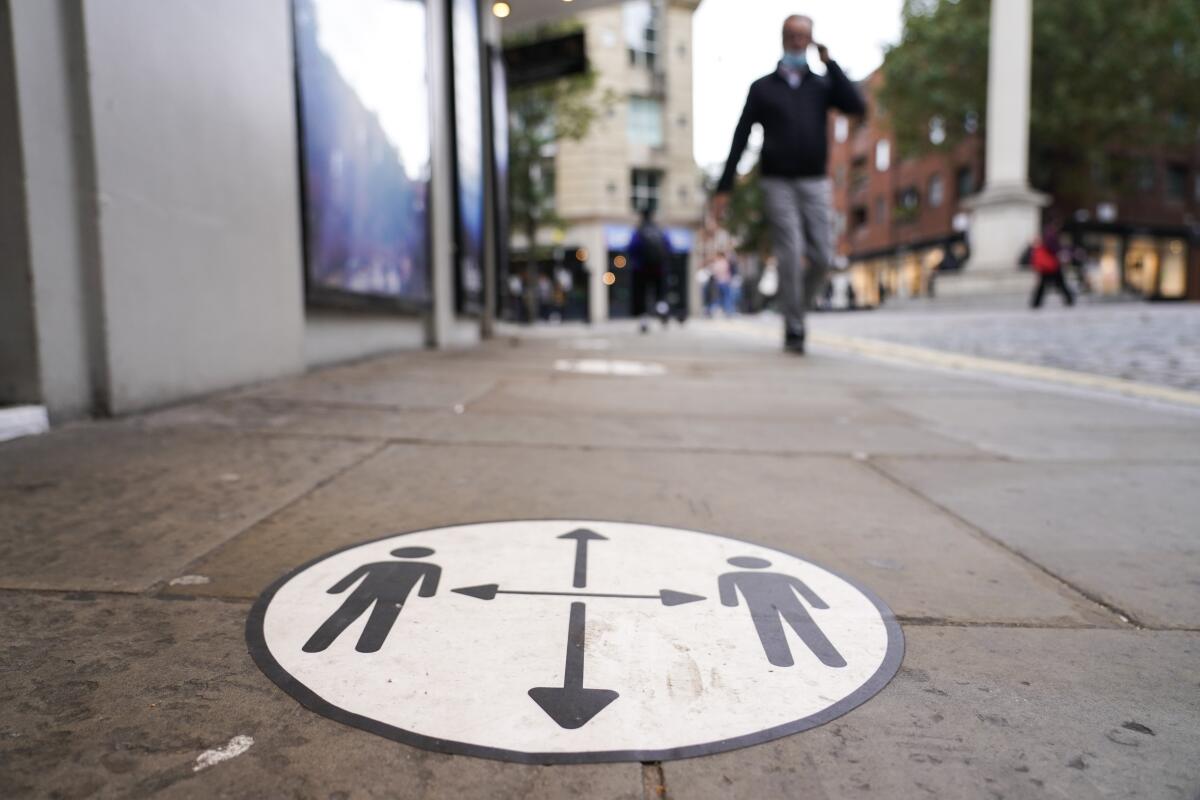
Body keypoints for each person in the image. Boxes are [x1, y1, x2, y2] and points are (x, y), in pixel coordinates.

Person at [712, 14, 866, 354]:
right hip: (777, 181)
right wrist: (724, 188)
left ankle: (797, 309)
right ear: (783, 38)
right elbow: (740, 137)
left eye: (804, 36)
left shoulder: (821, 85)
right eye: (793, 35)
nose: (798, 41)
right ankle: (794, 325)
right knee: (790, 252)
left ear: (810, 41)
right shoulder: (763, 88)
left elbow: (856, 105)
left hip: (815, 180)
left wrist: (831, 63)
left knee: (824, 255)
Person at [302, 547, 441, 654]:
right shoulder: (430, 567)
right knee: (382, 619)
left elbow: (349, 579)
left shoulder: (375, 564)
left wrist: (337, 589)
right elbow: (428, 588)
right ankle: (367, 647)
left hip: (362, 593)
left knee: (344, 615)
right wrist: (426, 594)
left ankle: (315, 644)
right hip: (395, 596)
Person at [627, 207, 672, 332]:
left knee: (641, 295)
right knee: (660, 293)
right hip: (659, 268)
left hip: (640, 269)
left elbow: (631, 248)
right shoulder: (660, 230)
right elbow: (669, 247)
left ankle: (644, 320)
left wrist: (636, 260)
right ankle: (661, 308)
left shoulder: (639, 231)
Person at [1030, 224, 1075, 309]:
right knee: (1060, 284)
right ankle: (1069, 299)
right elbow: (1054, 248)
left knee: (1044, 286)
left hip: (1048, 266)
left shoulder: (1046, 235)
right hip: (1051, 265)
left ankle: (1036, 303)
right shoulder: (1051, 236)